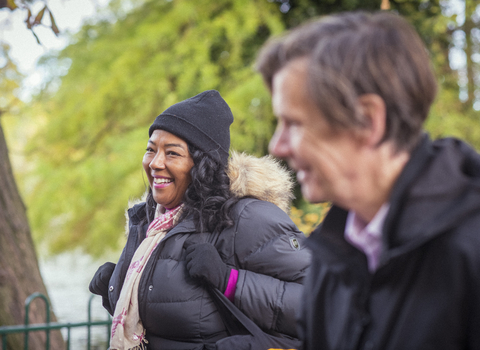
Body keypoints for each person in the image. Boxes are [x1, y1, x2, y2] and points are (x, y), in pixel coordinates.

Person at [256, 10, 480, 350]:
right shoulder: (333, 253)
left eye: (295, 124)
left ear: (368, 120)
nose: (277, 146)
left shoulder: (470, 251)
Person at [88, 89, 310, 349]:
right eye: (151, 150)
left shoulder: (247, 218)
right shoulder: (148, 223)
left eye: (172, 153)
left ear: (203, 165)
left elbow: (318, 303)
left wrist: (230, 281)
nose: (155, 163)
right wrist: (116, 286)